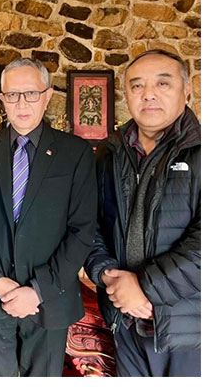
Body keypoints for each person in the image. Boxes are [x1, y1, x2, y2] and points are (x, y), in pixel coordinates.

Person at [0, 58, 97, 377]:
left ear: (47, 96)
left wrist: (37, 290)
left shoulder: (75, 152)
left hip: (49, 300)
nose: (22, 103)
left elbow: (82, 231)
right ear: (2, 99)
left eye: (31, 94)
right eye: (12, 95)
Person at [84, 50, 200, 377]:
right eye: (137, 86)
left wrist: (145, 287)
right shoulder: (110, 152)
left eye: (162, 83)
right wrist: (106, 274)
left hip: (187, 328)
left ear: (186, 90)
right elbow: (89, 223)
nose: (148, 94)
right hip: (125, 321)